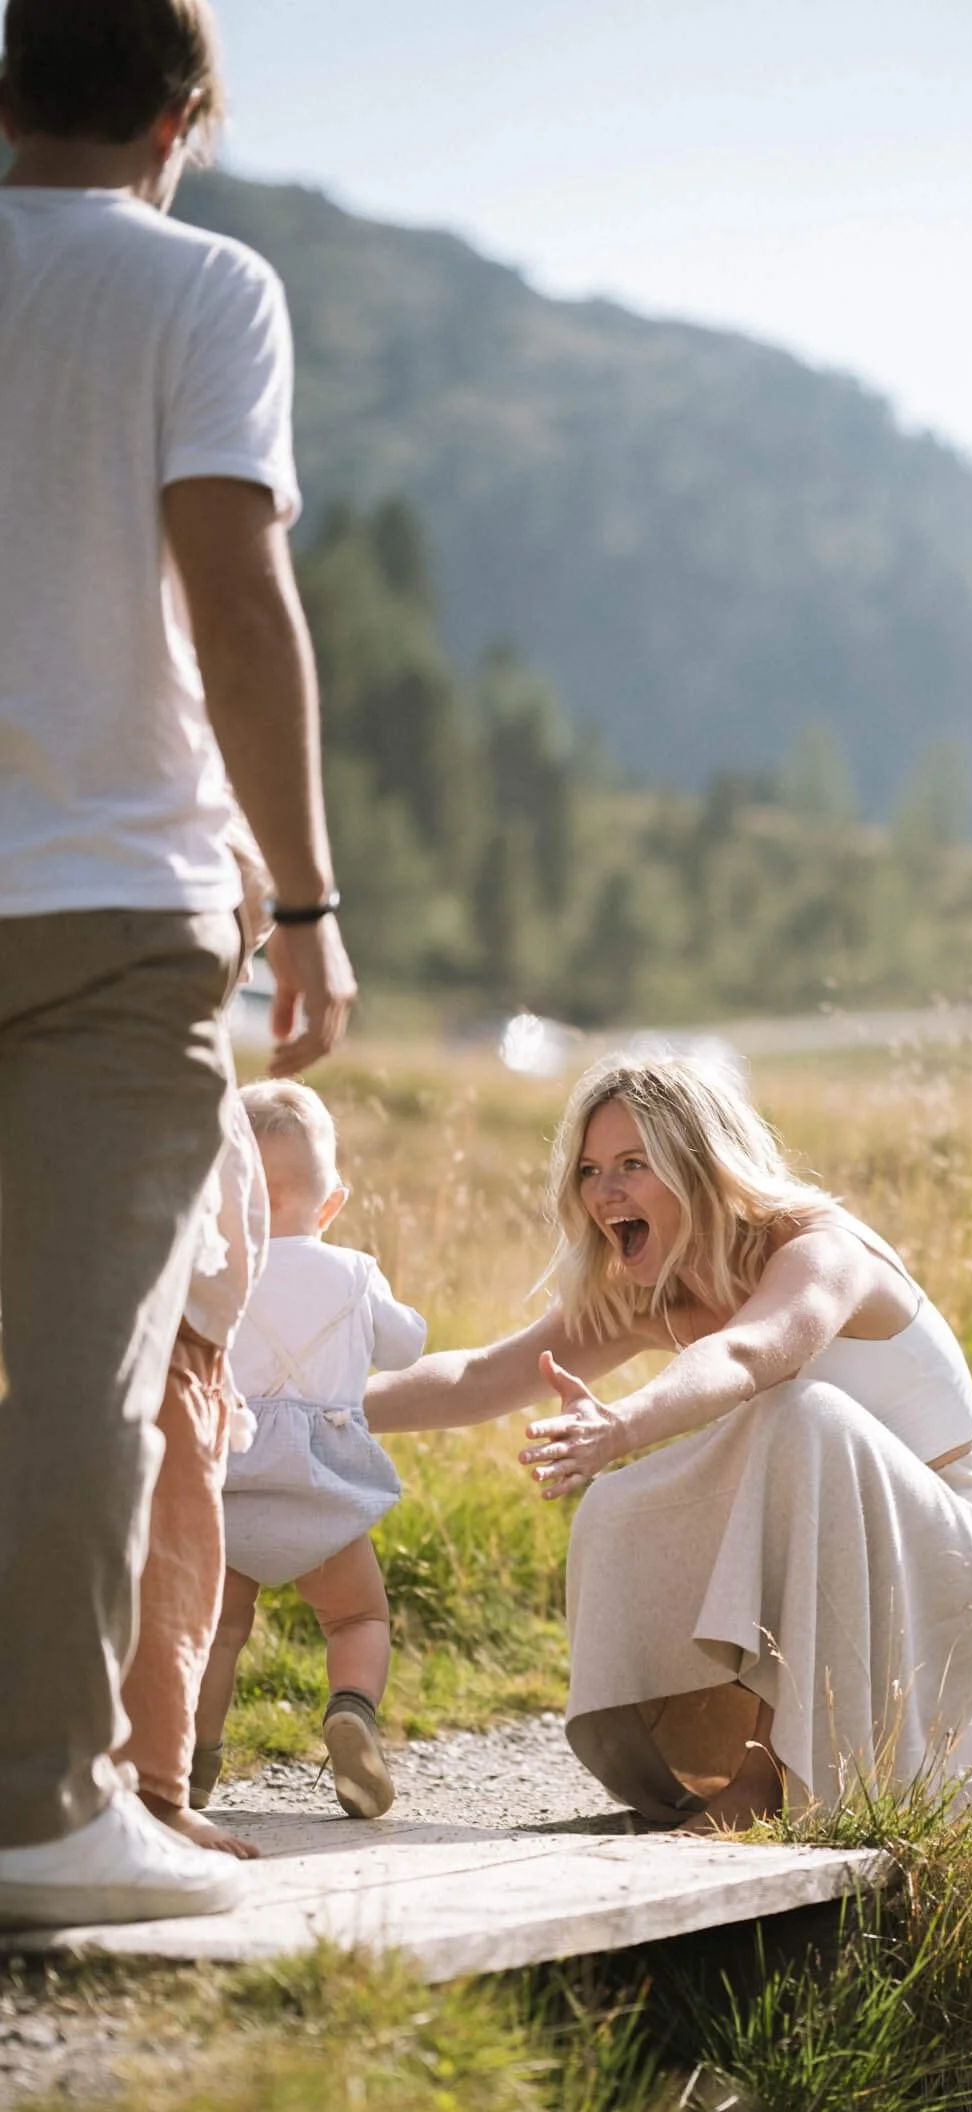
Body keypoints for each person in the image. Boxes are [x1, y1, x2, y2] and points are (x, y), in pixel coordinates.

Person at [0, 0, 357, 1931]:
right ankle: (45, 1813)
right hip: (119, 908)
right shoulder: (204, 289)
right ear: (180, 114)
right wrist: (303, 902)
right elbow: (234, 583)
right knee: (84, 1367)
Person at [365, 1053, 972, 1831]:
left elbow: (749, 1355)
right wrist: (304, 1409)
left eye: (631, 1165)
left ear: (698, 1168)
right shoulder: (653, 1295)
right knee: (623, 1504)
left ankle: (764, 1780)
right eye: (588, 1170)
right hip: (846, 1544)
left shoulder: (824, 1252)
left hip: (955, 1562)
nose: (603, 1192)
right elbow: (478, 1377)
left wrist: (622, 1423)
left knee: (798, 1416)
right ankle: (714, 1763)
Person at [194, 1081, 427, 1823]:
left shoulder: (213, 1276)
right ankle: (351, 1709)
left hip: (228, 1480)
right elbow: (406, 1345)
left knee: (218, 1633)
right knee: (357, 1618)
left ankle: (189, 1765)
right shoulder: (352, 1273)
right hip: (320, 1483)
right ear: (329, 1205)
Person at [115, 841, 271, 1862]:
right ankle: (156, 1791)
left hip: (199, 1357)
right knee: (170, 1572)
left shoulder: (198, 1054)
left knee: (183, 1572)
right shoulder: (159, 1056)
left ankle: (134, 1781)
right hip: (164, 1346)